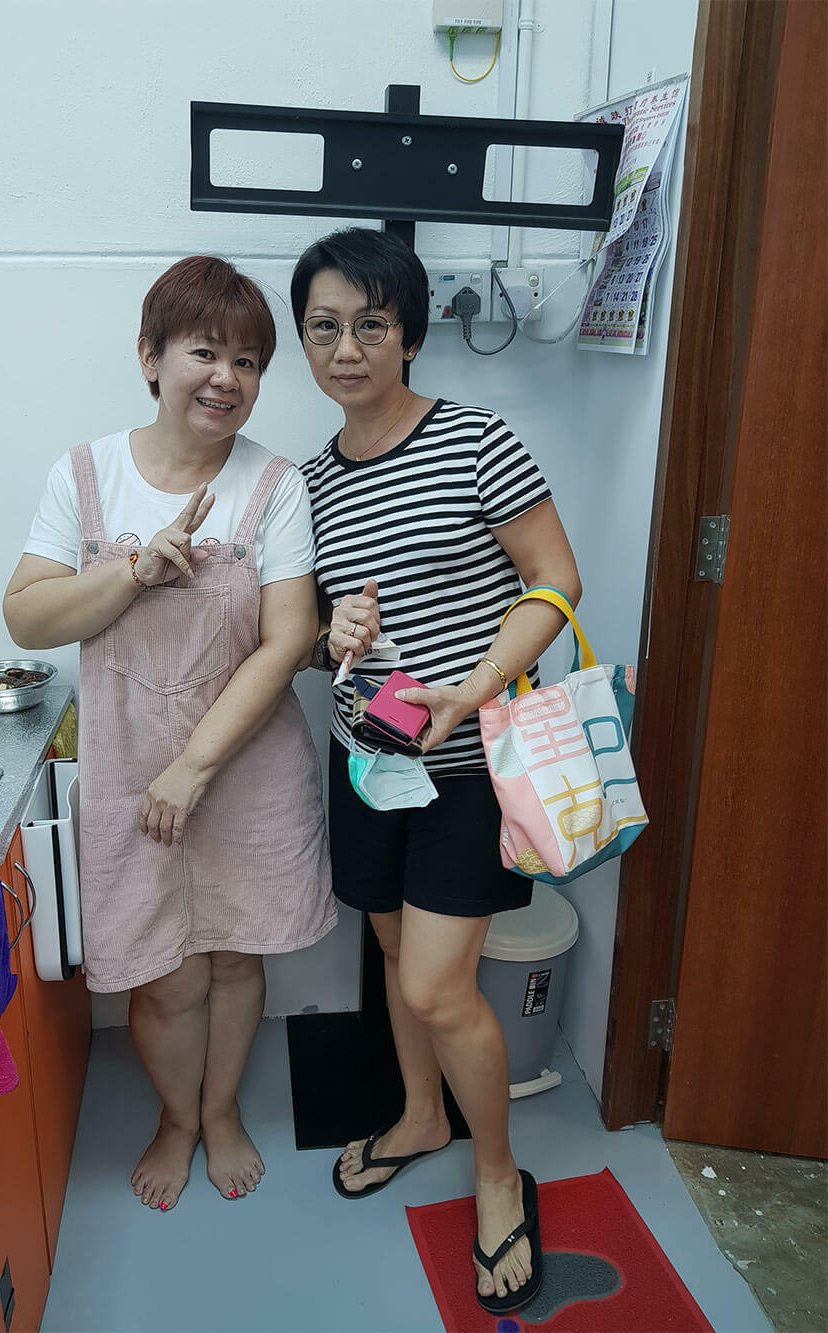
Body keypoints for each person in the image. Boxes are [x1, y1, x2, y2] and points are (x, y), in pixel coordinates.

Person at [4, 256, 335, 1212]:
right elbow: (26, 617)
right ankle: (176, 1118)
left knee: (234, 955)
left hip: (243, 765)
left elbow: (289, 640)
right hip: (128, 768)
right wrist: (133, 571)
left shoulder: (273, 485)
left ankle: (219, 1111)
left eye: (248, 360)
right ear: (151, 357)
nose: (227, 378)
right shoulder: (87, 476)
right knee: (161, 974)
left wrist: (194, 766)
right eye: (204, 352)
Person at [294, 228, 581, 1315]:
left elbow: (556, 579)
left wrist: (473, 686)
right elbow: (317, 632)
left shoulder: (475, 440)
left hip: (469, 768)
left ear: (409, 334)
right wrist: (332, 633)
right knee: (387, 949)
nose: (347, 348)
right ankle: (420, 1117)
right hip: (370, 765)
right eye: (325, 327)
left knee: (433, 984)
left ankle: (498, 1171)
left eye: (371, 324)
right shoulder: (310, 483)